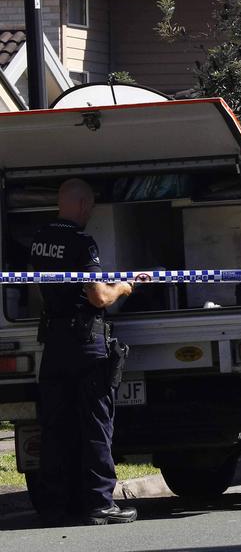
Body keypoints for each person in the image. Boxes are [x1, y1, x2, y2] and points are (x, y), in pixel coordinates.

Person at [29, 179, 136, 526]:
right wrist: (123, 287)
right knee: (95, 425)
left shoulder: (40, 239)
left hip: (54, 343)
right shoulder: (81, 243)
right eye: (89, 207)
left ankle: (55, 506)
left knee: (55, 427)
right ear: (83, 206)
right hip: (86, 345)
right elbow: (98, 297)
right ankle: (99, 504)